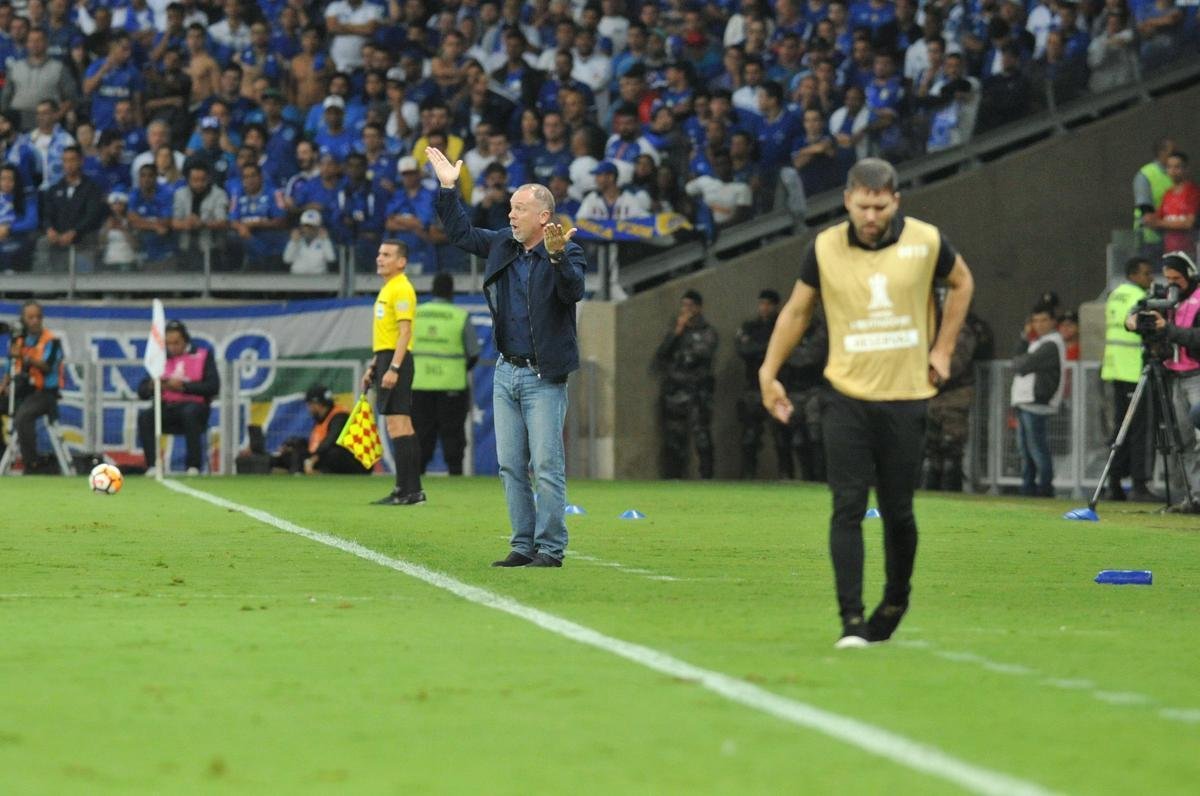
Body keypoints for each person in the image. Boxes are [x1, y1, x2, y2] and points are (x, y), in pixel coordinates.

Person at [758, 158, 975, 648]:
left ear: (896, 200)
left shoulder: (926, 240)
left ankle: (896, 598)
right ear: (847, 202)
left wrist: (942, 348)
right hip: (847, 395)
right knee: (847, 507)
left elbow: (962, 282)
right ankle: (851, 621)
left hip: (906, 398)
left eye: (880, 206)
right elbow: (797, 310)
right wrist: (768, 372)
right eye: (863, 206)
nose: (871, 216)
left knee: (898, 512)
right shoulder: (825, 247)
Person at [428, 145, 586, 568]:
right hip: (506, 372)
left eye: (519, 209)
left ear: (543, 218)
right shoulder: (503, 245)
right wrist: (448, 189)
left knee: (547, 466)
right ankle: (523, 544)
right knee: (510, 466)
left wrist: (555, 258)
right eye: (511, 208)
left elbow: (573, 292)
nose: (510, 215)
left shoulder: (566, 252)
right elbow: (461, 234)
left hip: (543, 377)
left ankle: (551, 549)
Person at [362, 239, 425, 506]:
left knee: (397, 424)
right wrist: (374, 365)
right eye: (379, 253)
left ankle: (405, 490)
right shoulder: (390, 288)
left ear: (401, 262)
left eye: (387, 254)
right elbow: (386, 335)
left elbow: (405, 333)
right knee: (402, 424)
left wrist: (394, 367)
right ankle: (412, 490)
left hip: (396, 360)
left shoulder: (401, 289)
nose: (380, 258)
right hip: (386, 357)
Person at [1137, 251, 1200, 511]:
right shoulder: (1166, 298)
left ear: (1189, 274)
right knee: (1183, 441)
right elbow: (1138, 311)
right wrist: (1134, 320)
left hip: (1197, 376)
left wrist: (1168, 330)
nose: (1173, 283)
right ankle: (1193, 496)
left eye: (1177, 277)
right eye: (1168, 278)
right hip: (1175, 375)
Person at [412, 272, 481, 476]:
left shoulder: (416, 314)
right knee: (452, 434)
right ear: (452, 292)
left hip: (420, 384)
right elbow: (474, 353)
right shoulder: (459, 316)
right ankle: (455, 474)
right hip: (452, 385)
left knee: (421, 434)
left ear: (432, 290)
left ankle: (417, 478)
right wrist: (458, 368)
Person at [1102, 256, 1158, 502]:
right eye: (1146, 274)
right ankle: (1139, 485)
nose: (1150, 278)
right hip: (1136, 369)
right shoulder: (1139, 299)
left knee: (1120, 430)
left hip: (1115, 368)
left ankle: (1113, 483)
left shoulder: (1115, 295)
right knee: (1140, 430)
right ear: (1133, 275)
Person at [137, 319, 219, 476]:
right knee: (146, 417)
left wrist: (184, 387)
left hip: (195, 407)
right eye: (168, 344)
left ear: (185, 341)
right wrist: (152, 385)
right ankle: (153, 465)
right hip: (168, 407)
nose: (172, 347)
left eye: (176, 343)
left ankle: (193, 466)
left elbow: (213, 387)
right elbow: (141, 391)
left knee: (190, 413)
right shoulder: (160, 359)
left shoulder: (202, 355)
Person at [655, 289, 719, 479]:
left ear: (698, 308)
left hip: (698, 392)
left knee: (702, 437)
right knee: (675, 438)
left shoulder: (707, 331)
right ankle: (675, 477)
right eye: (683, 306)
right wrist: (676, 333)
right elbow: (661, 356)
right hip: (675, 393)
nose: (686, 310)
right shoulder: (676, 331)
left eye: (690, 306)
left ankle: (707, 477)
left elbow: (703, 354)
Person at [923, 303, 980, 492]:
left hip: (955, 395)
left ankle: (952, 492)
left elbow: (957, 363)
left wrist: (933, 374)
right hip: (934, 395)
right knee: (932, 448)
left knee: (952, 446)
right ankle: (932, 493)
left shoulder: (962, 331)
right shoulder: (933, 329)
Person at [1011, 304, 1066, 498]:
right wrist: (1024, 339)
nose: (1039, 324)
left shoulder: (1051, 343)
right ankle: (1028, 488)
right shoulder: (1037, 342)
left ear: (1053, 321)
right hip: (1026, 401)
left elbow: (1021, 364)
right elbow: (1018, 361)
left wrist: (1020, 361)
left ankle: (1044, 488)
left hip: (1037, 402)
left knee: (1037, 449)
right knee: (1026, 450)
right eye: (1035, 320)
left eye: (1044, 320)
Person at [735, 289, 790, 479]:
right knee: (749, 437)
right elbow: (744, 349)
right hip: (753, 389)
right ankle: (748, 478)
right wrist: (769, 347)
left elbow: (788, 349)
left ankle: (786, 476)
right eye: (761, 303)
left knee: (782, 437)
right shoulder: (750, 327)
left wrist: (761, 349)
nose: (764, 308)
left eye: (768, 304)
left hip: (777, 388)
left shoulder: (782, 326)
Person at [9, 301, 64, 473]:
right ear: (23, 319)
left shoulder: (52, 341)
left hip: (44, 394)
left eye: (38, 317)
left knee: (23, 417)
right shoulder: (19, 341)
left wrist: (25, 357)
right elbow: (9, 368)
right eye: (30, 317)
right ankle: (3, 450)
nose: (35, 321)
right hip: (20, 391)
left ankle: (32, 465)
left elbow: (47, 367)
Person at [274, 385, 371, 476]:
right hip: (327, 455)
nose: (309, 409)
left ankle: (319, 472)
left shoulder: (340, 416)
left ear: (316, 404)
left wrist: (314, 457)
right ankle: (298, 472)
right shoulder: (322, 418)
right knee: (297, 449)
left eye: (309, 405)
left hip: (359, 464)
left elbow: (333, 439)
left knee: (333, 454)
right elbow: (317, 444)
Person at [1133, 137, 1175, 257]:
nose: (1175, 155)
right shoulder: (1146, 174)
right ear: (1161, 152)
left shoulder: (1174, 175)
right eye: (1172, 152)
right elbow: (1145, 209)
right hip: (1149, 238)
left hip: (1172, 238)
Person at [283, 209, 337, 275]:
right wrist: (293, 242)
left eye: (311, 226)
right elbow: (287, 259)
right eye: (305, 226)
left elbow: (331, 258)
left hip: (319, 279)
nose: (307, 229)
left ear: (318, 227)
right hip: (297, 278)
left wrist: (325, 240)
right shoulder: (296, 241)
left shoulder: (324, 241)